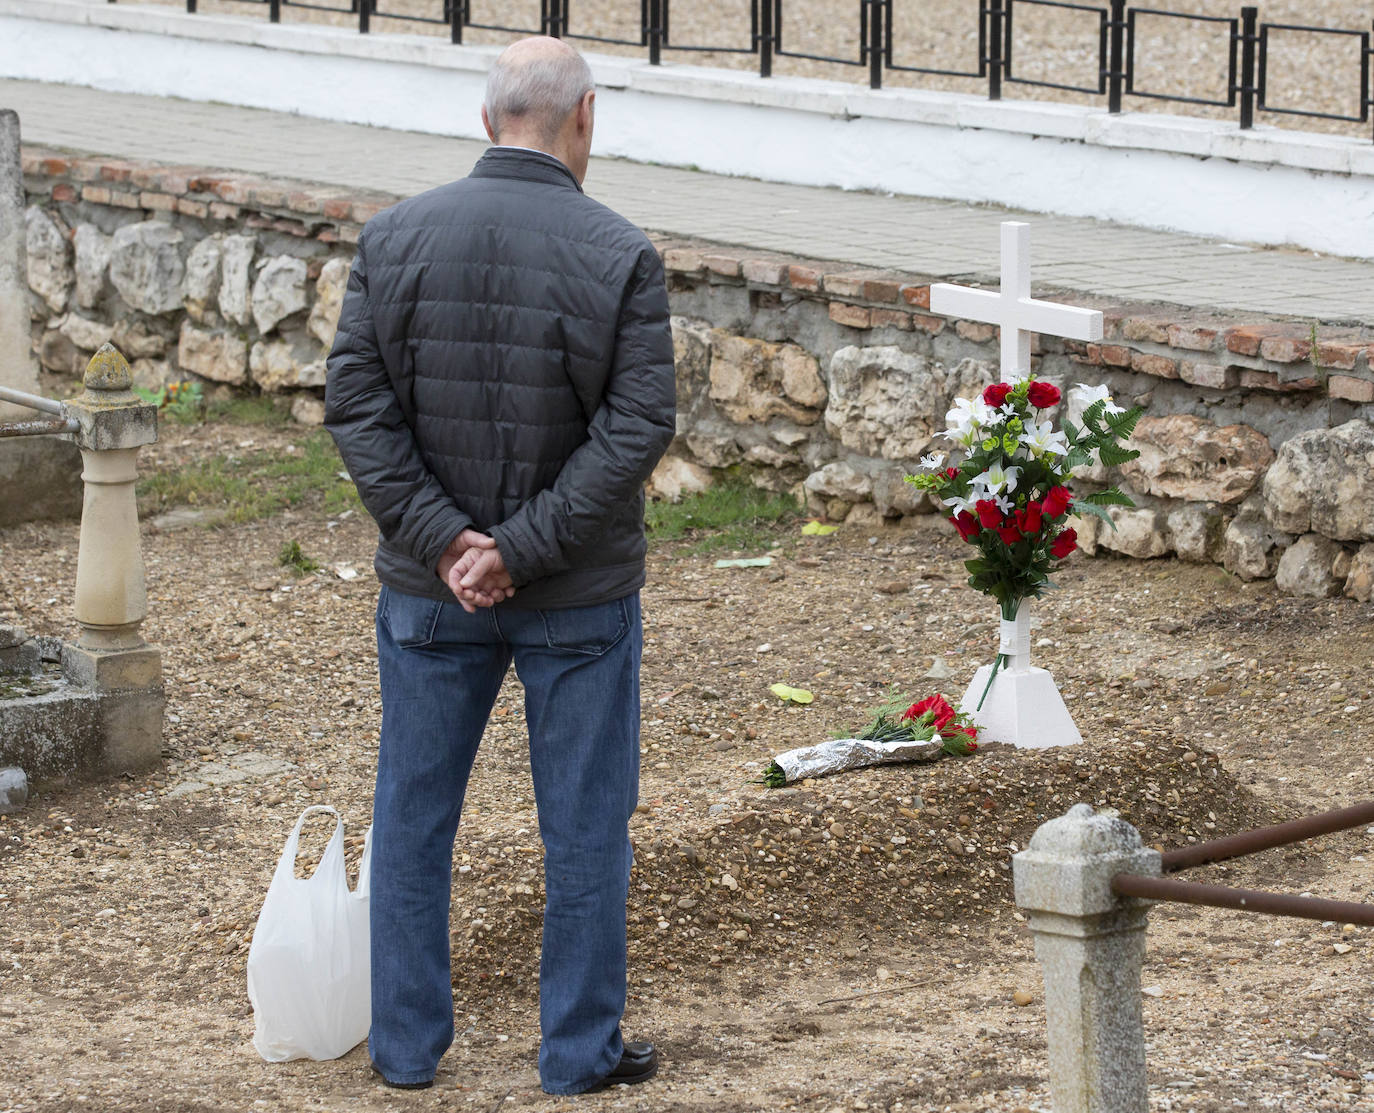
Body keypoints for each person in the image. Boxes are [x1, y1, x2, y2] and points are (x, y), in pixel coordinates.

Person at [323, 35, 676, 1096]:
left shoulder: (393, 239)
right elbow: (637, 427)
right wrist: (518, 551)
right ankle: (576, 1054)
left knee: (414, 817)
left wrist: (447, 541)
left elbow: (358, 407)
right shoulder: (622, 254)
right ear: (586, 117)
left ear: (488, 122)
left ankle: (404, 1049)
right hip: (578, 593)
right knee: (582, 828)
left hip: (430, 593)